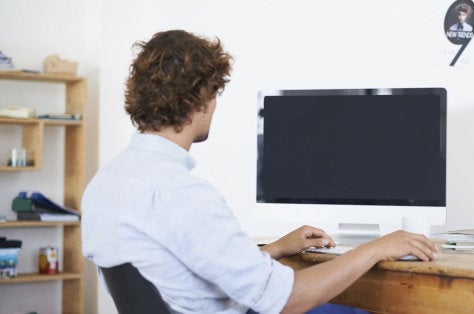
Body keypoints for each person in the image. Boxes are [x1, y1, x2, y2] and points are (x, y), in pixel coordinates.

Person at [81, 29, 439, 314]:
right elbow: (286, 301)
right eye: (215, 93)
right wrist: (376, 249)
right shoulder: (182, 195)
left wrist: (277, 248)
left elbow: (187, 276)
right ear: (200, 99)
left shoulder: (104, 185)